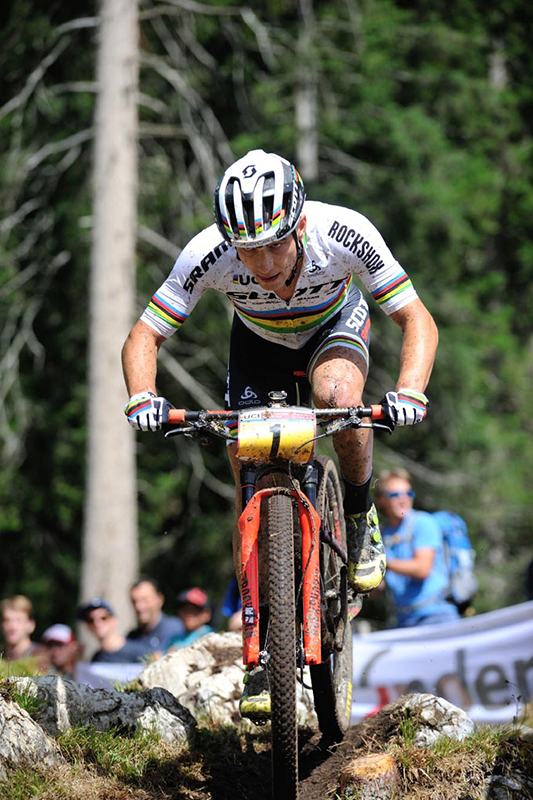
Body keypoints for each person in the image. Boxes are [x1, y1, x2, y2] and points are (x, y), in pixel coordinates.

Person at [122, 149, 438, 717]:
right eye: (248, 249)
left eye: (274, 244)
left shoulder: (343, 233)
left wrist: (410, 389)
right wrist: (143, 396)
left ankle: (358, 514)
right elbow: (145, 334)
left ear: (300, 224)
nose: (262, 262)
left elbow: (416, 318)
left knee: (337, 399)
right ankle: (265, 648)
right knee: (249, 467)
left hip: (333, 326)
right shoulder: (208, 252)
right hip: (258, 346)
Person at [375, 469, 460, 627]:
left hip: (436, 616)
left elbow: (422, 569)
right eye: (395, 495)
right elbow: (377, 590)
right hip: (402, 619)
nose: (403, 500)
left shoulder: (423, 523)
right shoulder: (382, 534)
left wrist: (382, 563)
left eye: (408, 494)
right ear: (381, 500)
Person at [77, 598, 151, 663]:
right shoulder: (96, 658)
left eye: (103, 618)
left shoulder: (139, 652)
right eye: (91, 620)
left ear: (114, 621)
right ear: (88, 626)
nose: (97, 623)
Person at [126, 577, 185, 655]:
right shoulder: (131, 637)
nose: (139, 607)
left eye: (144, 600)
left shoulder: (173, 628)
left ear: (160, 600)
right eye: (134, 601)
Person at [0, 595, 40, 661]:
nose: (12, 626)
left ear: (31, 625)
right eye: (7, 620)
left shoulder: (41, 657)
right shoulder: (2, 659)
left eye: (18, 620)